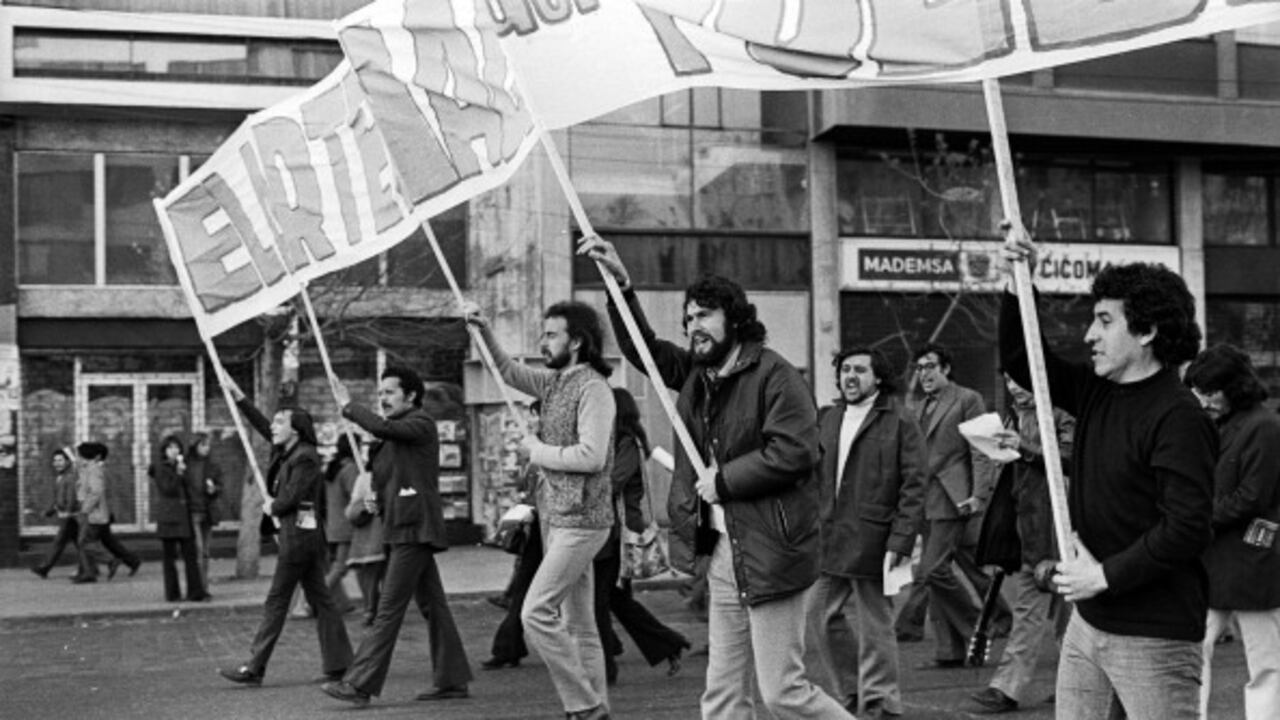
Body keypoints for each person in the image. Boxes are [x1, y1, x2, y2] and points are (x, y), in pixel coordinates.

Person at [580, 234, 851, 719]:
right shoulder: (697, 374)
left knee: (783, 691)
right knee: (723, 695)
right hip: (724, 552)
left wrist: (722, 481)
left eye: (703, 315)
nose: (692, 326)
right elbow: (643, 349)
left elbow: (796, 451)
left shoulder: (776, 376)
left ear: (735, 318)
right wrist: (620, 286)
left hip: (773, 551)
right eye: (688, 318)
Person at [1002, 229, 1216, 720]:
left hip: (1155, 637)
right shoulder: (1095, 389)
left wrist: (1103, 575)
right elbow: (1023, 358)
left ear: (1145, 333)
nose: (1088, 336)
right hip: (1088, 625)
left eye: (1104, 321)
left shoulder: (1179, 417)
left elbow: (1186, 528)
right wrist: (1019, 279)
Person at [465, 300, 617, 720]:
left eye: (552, 335)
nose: (543, 342)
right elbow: (509, 373)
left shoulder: (594, 389)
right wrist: (483, 331)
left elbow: (592, 456)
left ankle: (583, 704)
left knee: (535, 614)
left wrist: (539, 451)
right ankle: (596, 707)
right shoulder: (554, 383)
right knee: (580, 625)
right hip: (558, 518)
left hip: (584, 520)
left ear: (578, 341)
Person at [321, 366, 473, 707]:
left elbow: (380, 425)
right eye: (381, 392)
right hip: (400, 526)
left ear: (412, 396)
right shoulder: (391, 439)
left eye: (389, 392)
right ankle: (452, 679)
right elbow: (391, 475)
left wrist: (349, 405)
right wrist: (376, 497)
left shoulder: (420, 424)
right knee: (434, 606)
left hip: (414, 529)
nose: (383, 398)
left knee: (387, 609)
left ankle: (359, 684)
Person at [804, 347, 926, 718]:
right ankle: (853, 693)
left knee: (876, 625)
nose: (850, 377)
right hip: (829, 537)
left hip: (876, 538)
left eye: (859, 370)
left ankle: (881, 701)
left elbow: (915, 485)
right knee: (821, 617)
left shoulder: (900, 420)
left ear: (878, 377)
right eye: (844, 370)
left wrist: (902, 539)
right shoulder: (828, 417)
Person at [218, 377, 353, 687]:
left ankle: (255, 667)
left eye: (281, 422)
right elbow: (263, 426)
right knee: (322, 600)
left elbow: (293, 497)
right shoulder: (289, 449)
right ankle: (340, 664)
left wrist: (273, 507)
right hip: (300, 538)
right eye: (276, 421)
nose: (274, 426)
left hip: (299, 540)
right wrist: (239, 397)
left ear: (295, 428)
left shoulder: (305, 456)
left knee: (277, 601)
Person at [962, 372, 1075, 714]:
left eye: (1020, 381)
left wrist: (1022, 448)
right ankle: (1075, 679)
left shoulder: (1060, 413)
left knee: (1047, 607)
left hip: (1053, 525)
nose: (1014, 388)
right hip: (1027, 523)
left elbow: (1070, 460)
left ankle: (1010, 687)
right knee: (1060, 610)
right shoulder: (1016, 415)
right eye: (1009, 382)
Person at [1184, 344, 1280, 720]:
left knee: (1265, 661)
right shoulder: (1234, 422)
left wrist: (1193, 517)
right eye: (1200, 392)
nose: (1203, 400)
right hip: (1226, 560)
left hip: (1248, 561)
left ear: (1234, 387)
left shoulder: (1265, 426)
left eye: (1210, 392)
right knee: (1194, 655)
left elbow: (1252, 498)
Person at [908, 343, 1002, 669]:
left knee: (932, 570)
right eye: (919, 368)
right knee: (942, 572)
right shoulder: (917, 406)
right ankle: (949, 650)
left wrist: (979, 494)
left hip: (953, 497)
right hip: (924, 499)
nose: (924, 374)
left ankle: (979, 627)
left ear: (946, 369)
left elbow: (981, 449)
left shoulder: (967, 399)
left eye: (930, 366)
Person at [597, 387, 691, 684]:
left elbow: (614, 482)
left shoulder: (627, 443)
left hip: (617, 534)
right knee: (616, 600)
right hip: (613, 530)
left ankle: (604, 667)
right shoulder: (622, 441)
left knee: (600, 600)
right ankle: (668, 643)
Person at [481, 401, 544, 670]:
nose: (534, 424)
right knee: (523, 589)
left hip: (560, 529)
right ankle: (507, 647)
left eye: (537, 418)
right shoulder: (538, 452)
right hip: (541, 531)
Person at [73, 442, 140, 583]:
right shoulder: (88, 469)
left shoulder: (94, 470)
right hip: (97, 513)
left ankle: (109, 562)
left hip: (93, 514)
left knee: (84, 543)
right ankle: (89, 572)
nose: (77, 458)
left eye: (79, 455)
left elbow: (96, 492)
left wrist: (85, 509)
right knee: (103, 541)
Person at [151, 435, 207, 602]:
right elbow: (168, 488)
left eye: (177, 448)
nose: (174, 451)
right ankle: (172, 593)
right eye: (170, 448)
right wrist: (178, 473)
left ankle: (195, 591)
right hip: (169, 516)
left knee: (190, 555)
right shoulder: (161, 468)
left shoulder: (182, 466)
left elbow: (190, 488)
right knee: (169, 558)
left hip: (185, 516)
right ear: (164, 451)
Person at [344, 455, 385, 628]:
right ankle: (378, 609)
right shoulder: (381, 476)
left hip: (366, 534)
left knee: (369, 575)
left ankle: (371, 608)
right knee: (382, 574)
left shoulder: (363, 478)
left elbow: (351, 507)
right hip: (379, 531)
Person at [323, 433, 358, 615]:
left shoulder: (334, 469)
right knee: (340, 567)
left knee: (336, 566)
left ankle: (342, 602)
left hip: (333, 525)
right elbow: (356, 496)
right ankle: (312, 599)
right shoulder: (350, 469)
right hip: (347, 525)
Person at [32, 448, 80, 579]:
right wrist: (50, 511)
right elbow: (59, 499)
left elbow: (71, 497)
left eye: (60, 460)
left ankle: (45, 567)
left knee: (59, 541)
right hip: (68, 515)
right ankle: (105, 563)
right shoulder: (61, 477)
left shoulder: (69, 477)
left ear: (68, 462)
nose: (57, 463)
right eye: (55, 460)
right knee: (80, 543)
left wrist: (68, 512)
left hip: (70, 516)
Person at [185, 434, 223, 594]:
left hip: (207, 512)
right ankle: (198, 587)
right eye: (203, 445)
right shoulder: (186, 465)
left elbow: (220, 486)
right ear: (195, 446)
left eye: (208, 445)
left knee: (205, 552)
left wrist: (214, 489)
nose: (206, 448)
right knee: (198, 550)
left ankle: (204, 586)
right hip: (192, 512)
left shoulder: (212, 465)